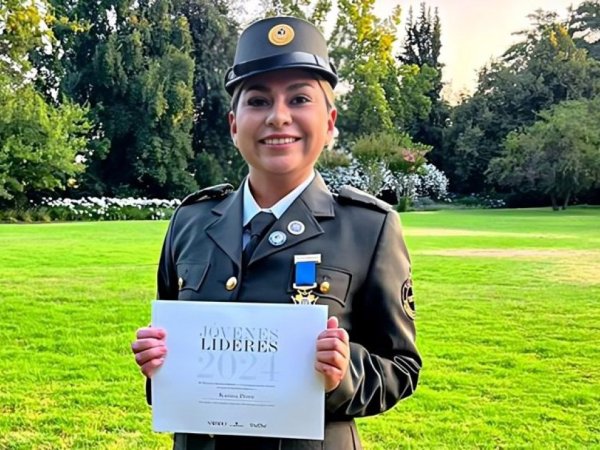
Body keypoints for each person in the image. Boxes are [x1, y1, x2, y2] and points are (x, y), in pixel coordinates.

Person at [131, 15, 421, 450]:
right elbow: (176, 346)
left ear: (330, 122)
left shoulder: (368, 227)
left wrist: (343, 373)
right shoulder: (191, 221)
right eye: (258, 101)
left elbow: (401, 366)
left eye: (299, 99)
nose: (278, 117)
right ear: (234, 124)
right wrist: (159, 360)